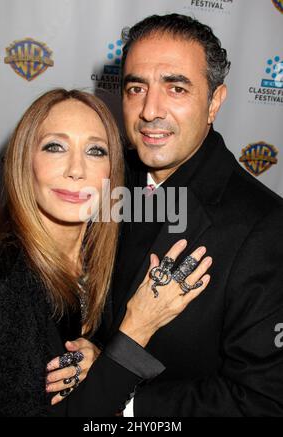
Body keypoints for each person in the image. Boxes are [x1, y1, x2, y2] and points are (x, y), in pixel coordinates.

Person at [53, 14, 283, 416]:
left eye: (176, 88)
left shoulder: (264, 227)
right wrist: (96, 352)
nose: (149, 111)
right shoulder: (107, 176)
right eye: (136, 88)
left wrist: (123, 398)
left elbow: (262, 400)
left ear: (214, 101)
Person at [0, 88, 211, 416]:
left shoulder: (107, 255)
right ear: (24, 162)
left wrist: (103, 358)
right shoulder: (3, 279)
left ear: (112, 171)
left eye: (95, 151)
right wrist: (137, 327)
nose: (77, 169)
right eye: (55, 147)